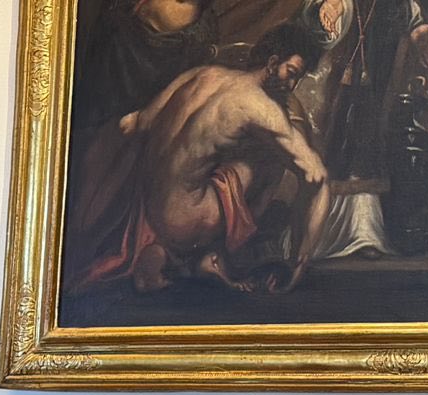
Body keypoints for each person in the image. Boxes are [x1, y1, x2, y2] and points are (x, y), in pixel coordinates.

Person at [67, 24, 331, 296]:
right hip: (183, 220)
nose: (292, 85)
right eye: (292, 73)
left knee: (206, 159)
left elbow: (136, 123)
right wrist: (302, 259)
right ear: (273, 62)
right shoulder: (263, 109)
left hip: (146, 207)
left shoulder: (203, 74)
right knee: (271, 159)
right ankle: (217, 255)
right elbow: (318, 177)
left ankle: (163, 250)